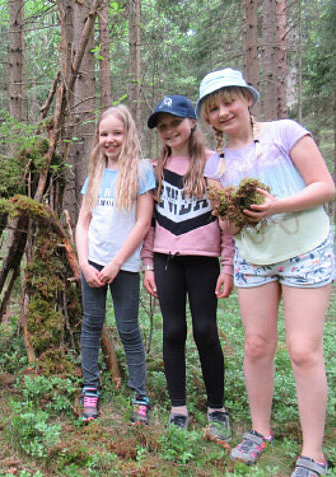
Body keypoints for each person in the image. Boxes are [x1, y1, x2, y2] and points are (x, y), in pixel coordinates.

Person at [197, 68, 336, 477]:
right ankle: (260, 431)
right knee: (257, 345)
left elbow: (325, 186)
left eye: (229, 102)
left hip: (305, 249)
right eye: (214, 108)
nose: (223, 112)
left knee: (303, 350)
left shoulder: (285, 133)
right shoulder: (216, 165)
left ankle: (314, 453)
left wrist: (275, 206)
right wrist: (235, 219)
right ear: (207, 117)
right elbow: (226, 225)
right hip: (255, 259)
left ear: (247, 99)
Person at [141, 95, 234, 444]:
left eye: (174, 123)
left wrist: (227, 265)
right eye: (162, 127)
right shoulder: (154, 170)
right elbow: (149, 222)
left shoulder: (214, 165)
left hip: (204, 261)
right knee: (173, 331)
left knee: (206, 331)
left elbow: (227, 221)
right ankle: (178, 408)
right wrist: (148, 264)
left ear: (192, 122)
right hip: (166, 260)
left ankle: (217, 409)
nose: (169, 131)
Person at [75, 104, 155, 425]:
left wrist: (117, 263)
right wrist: (84, 263)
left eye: (117, 133)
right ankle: (90, 388)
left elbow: (143, 223)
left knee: (128, 329)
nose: (110, 139)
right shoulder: (94, 175)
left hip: (125, 267)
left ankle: (140, 395)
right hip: (92, 263)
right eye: (104, 134)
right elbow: (83, 223)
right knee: (92, 325)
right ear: (98, 138)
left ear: (128, 134)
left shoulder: (139, 172)